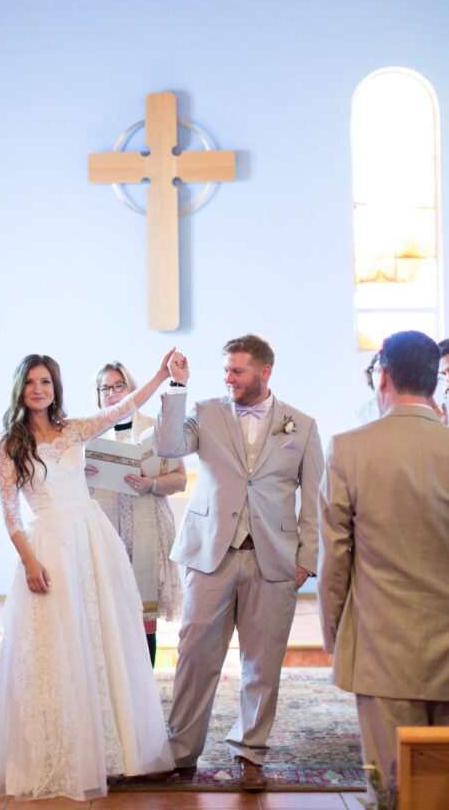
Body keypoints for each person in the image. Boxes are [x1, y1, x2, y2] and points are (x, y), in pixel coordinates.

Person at [0, 352, 175, 801]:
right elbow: (10, 515)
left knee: (103, 640)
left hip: (91, 539)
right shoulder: (10, 444)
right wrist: (29, 562)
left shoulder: (74, 429)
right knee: (58, 646)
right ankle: (59, 752)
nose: (38, 389)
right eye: (30, 383)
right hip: (49, 547)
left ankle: (111, 751)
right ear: (20, 390)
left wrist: (162, 375)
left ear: (55, 387)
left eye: (45, 381)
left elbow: (122, 408)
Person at [154, 336, 324, 791]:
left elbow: (314, 501)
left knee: (262, 664)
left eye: (237, 371)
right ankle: (181, 752)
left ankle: (251, 754)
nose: (227, 378)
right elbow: (169, 446)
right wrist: (176, 386)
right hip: (210, 556)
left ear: (265, 372)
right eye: (225, 370)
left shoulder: (301, 425)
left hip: (274, 561)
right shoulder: (206, 411)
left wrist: (305, 560)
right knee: (194, 658)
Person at [318, 330, 449, 802]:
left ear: (384, 378)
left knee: (388, 787)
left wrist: (335, 636)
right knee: (442, 787)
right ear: (435, 382)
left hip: (380, 643)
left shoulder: (349, 448)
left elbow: (334, 556)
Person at [86, 360, 185, 665]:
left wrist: (152, 483)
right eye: (105, 388)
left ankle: (144, 690)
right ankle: (113, 689)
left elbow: (179, 478)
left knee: (144, 616)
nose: (113, 393)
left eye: (119, 386)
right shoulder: (87, 433)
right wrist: (80, 474)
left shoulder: (154, 429)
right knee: (107, 616)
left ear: (131, 388)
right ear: (98, 394)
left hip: (147, 530)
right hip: (104, 530)